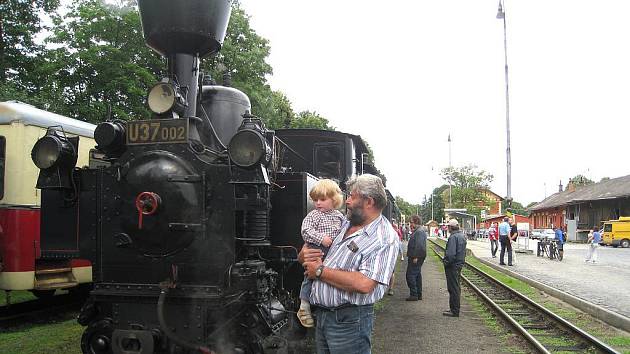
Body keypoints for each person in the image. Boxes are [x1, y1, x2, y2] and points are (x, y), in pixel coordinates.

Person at [299, 174, 399, 354]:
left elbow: (364, 283)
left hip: (350, 322)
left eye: (352, 196)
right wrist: (303, 255)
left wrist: (320, 271)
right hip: (323, 316)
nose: (347, 201)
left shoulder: (384, 238)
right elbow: (308, 253)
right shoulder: (344, 223)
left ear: (368, 202)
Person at [296, 179, 345, 328]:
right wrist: (321, 238)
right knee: (310, 276)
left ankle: (321, 304)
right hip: (317, 248)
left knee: (327, 276)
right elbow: (306, 231)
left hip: (333, 251)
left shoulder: (339, 216)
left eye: (322, 199)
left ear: (334, 200)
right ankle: (304, 305)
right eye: (316, 200)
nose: (318, 203)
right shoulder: (314, 215)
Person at [442, 219, 466, 317]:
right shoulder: (462, 236)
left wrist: (446, 262)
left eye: (448, 226)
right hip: (459, 264)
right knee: (456, 287)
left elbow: (451, 254)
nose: (447, 228)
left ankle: (454, 310)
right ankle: (455, 309)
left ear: (451, 227)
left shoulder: (453, 237)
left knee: (453, 288)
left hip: (452, 266)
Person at [405, 215, 427, 301]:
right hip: (416, 256)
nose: (410, 224)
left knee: (410, 275)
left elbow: (420, 246)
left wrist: (416, 256)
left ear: (416, 222)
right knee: (417, 275)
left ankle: (414, 294)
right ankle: (418, 294)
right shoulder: (419, 231)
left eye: (411, 222)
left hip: (416, 257)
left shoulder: (419, 232)